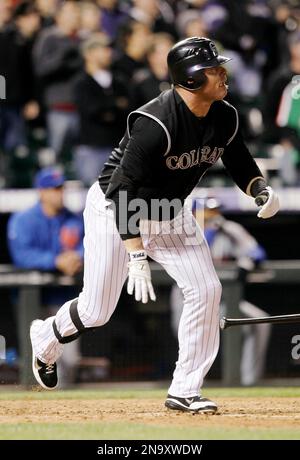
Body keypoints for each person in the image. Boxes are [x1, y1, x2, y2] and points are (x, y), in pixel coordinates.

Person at [29, 37, 280, 413]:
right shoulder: (156, 122)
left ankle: (185, 389)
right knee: (98, 310)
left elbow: (239, 159)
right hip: (116, 208)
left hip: (170, 209)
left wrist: (259, 189)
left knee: (207, 289)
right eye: (214, 69)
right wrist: (137, 256)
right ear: (192, 79)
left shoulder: (224, 115)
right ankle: (47, 334)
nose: (223, 73)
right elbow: (121, 191)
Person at [170, 197, 272, 386]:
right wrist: (209, 230)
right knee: (189, 334)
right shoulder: (184, 229)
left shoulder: (229, 229)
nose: (214, 215)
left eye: (216, 210)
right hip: (187, 295)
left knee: (260, 322)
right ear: (193, 213)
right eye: (208, 211)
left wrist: (248, 261)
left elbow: (258, 252)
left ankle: (249, 382)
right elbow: (200, 249)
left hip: (223, 297)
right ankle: (190, 383)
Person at [8, 166, 84, 385]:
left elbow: (89, 244)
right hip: (32, 301)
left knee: (69, 361)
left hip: (64, 299)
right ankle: (38, 411)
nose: (59, 193)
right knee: (38, 358)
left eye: (61, 188)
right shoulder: (23, 219)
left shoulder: (73, 219)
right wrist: (55, 261)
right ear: (41, 191)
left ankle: (63, 411)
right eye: (53, 189)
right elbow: (22, 255)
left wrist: (77, 257)